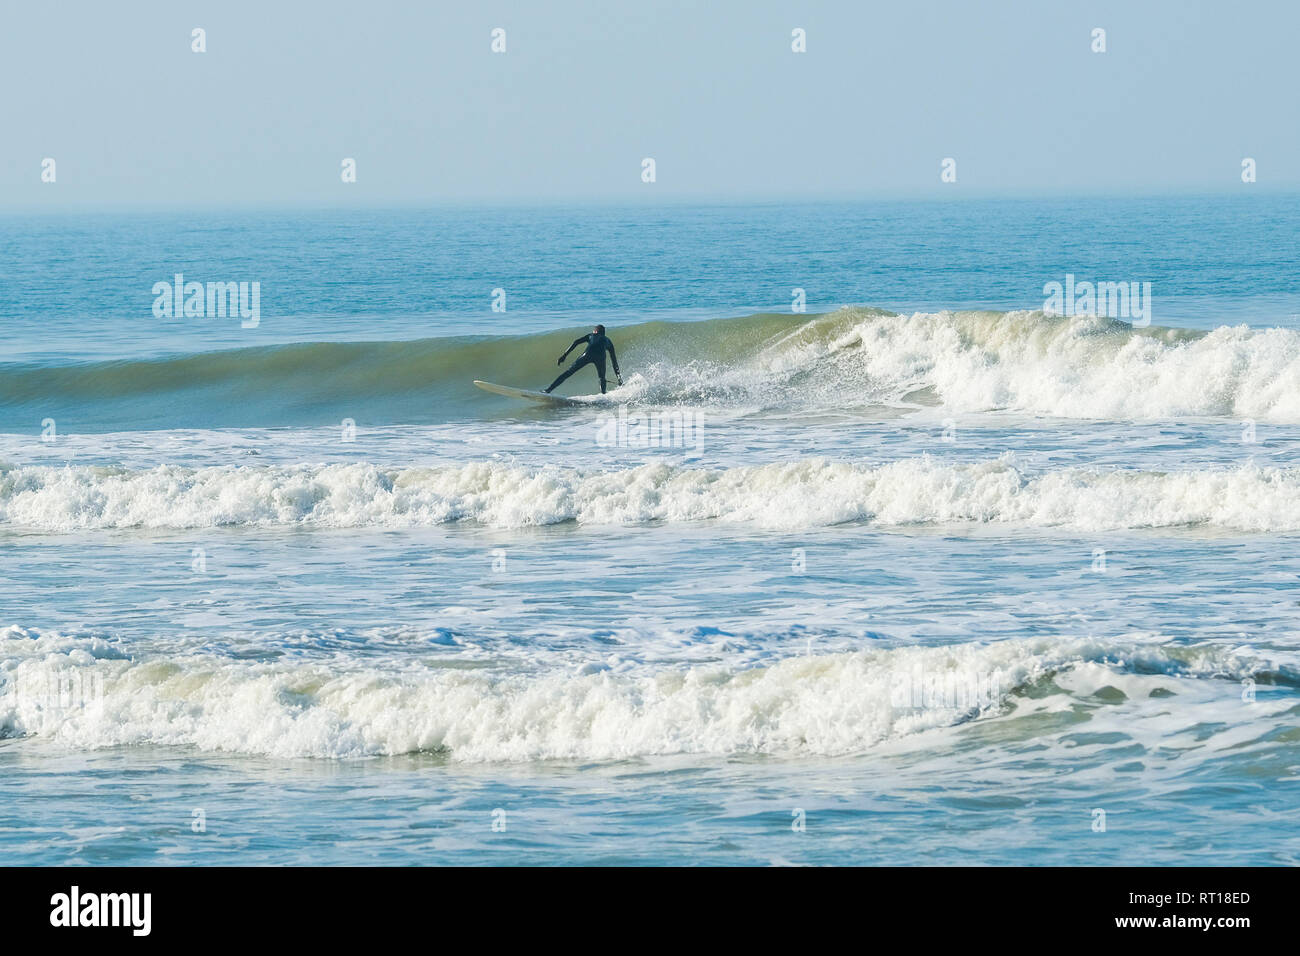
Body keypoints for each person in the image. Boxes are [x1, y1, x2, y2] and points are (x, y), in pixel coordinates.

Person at [545, 324, 622, 394]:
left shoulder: (591, 335)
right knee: (602, 378)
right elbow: (614, 362)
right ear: (604, 333)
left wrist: (564, 355)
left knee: (568, 372)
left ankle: (548, 390)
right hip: (600, 357)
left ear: (595, 331)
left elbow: (576, 342)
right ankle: (603, 396)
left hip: (588, 354)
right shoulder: (608, 341)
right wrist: (619, 378)